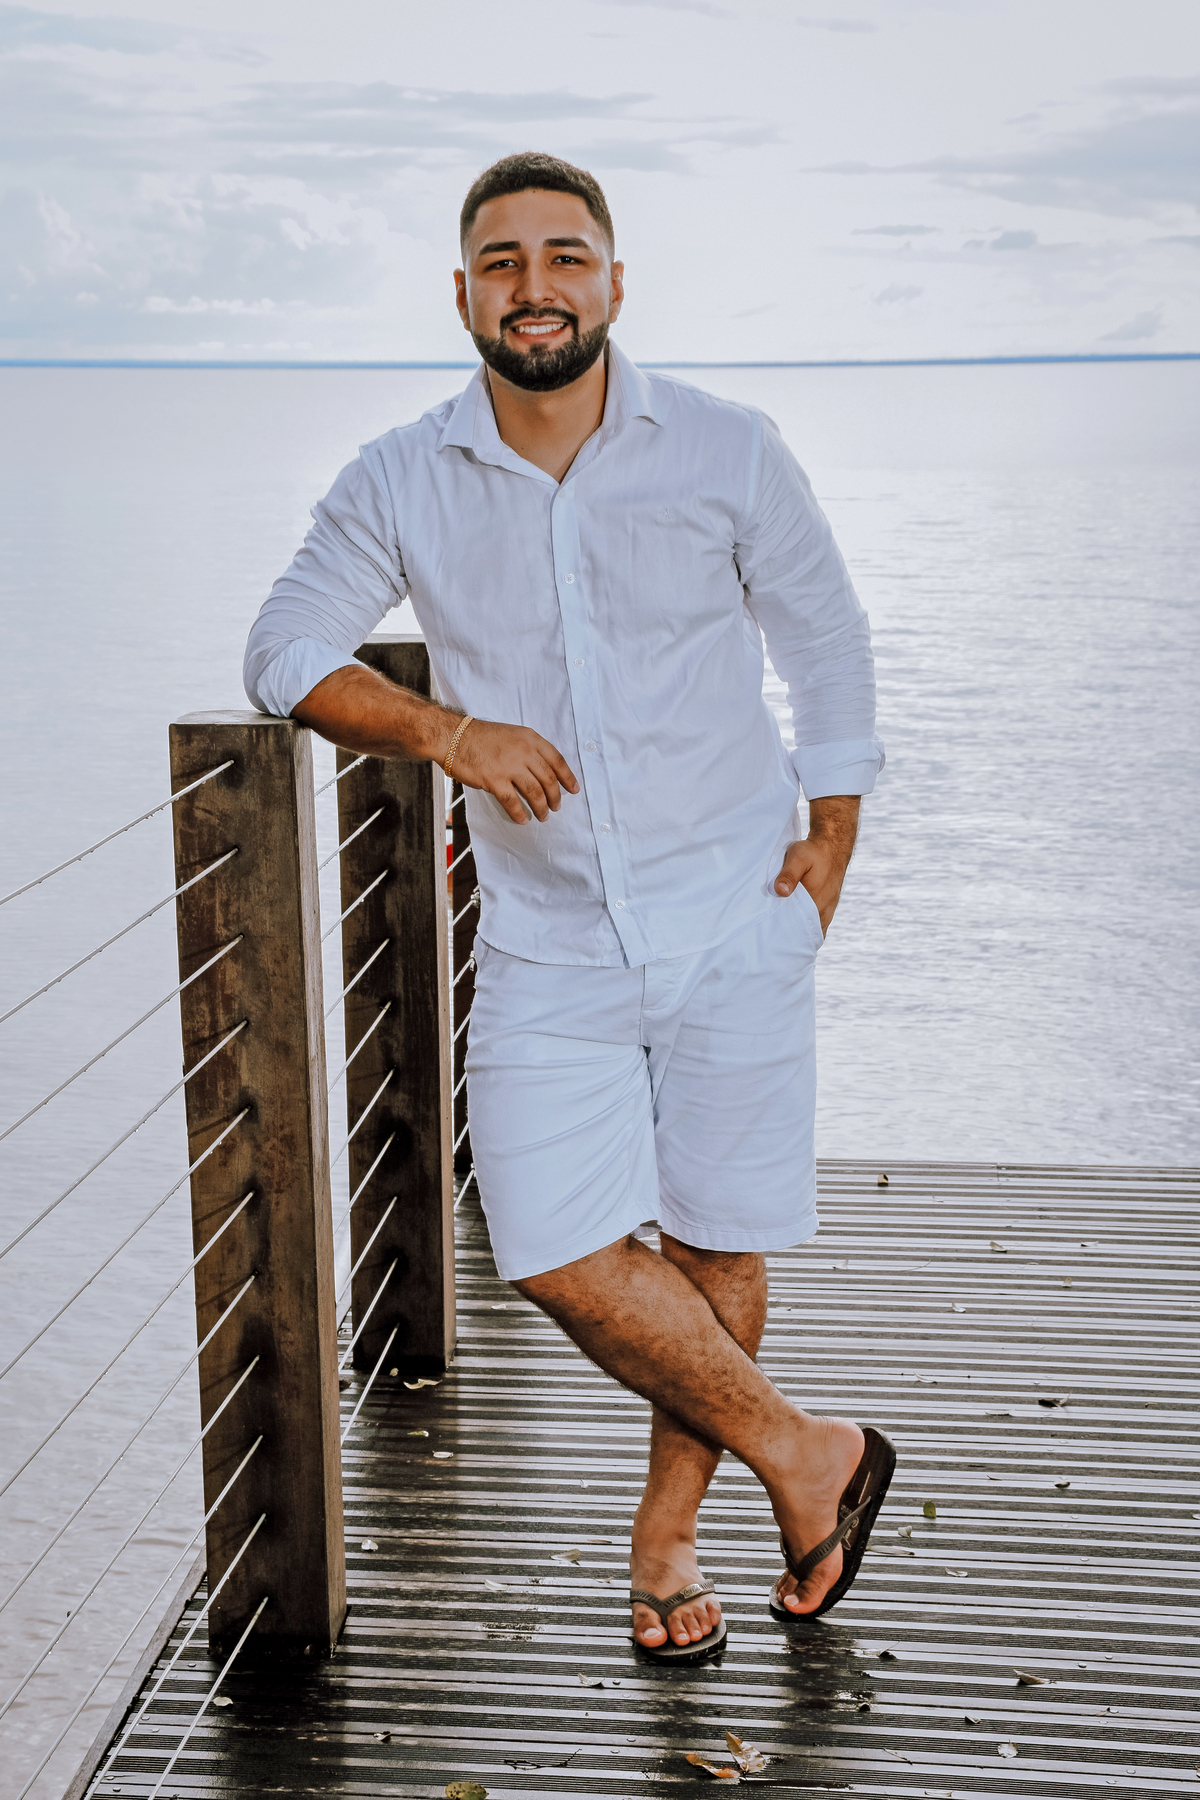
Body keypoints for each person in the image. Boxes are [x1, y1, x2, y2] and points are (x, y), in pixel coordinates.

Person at [245, 151, 894, 1663]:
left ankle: (669, 1538)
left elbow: (826, 638)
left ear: (612, 281)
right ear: (463, 293)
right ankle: (809, 1452)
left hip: (738, 908)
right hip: (546, 936)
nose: (534, 288)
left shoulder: (726, 447)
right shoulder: (401, 474)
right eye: (503, 263)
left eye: (563, 258)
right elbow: (281, 650)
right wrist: (447, 733)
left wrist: (836, 836)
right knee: (546, 1242)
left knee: (720, 1235)